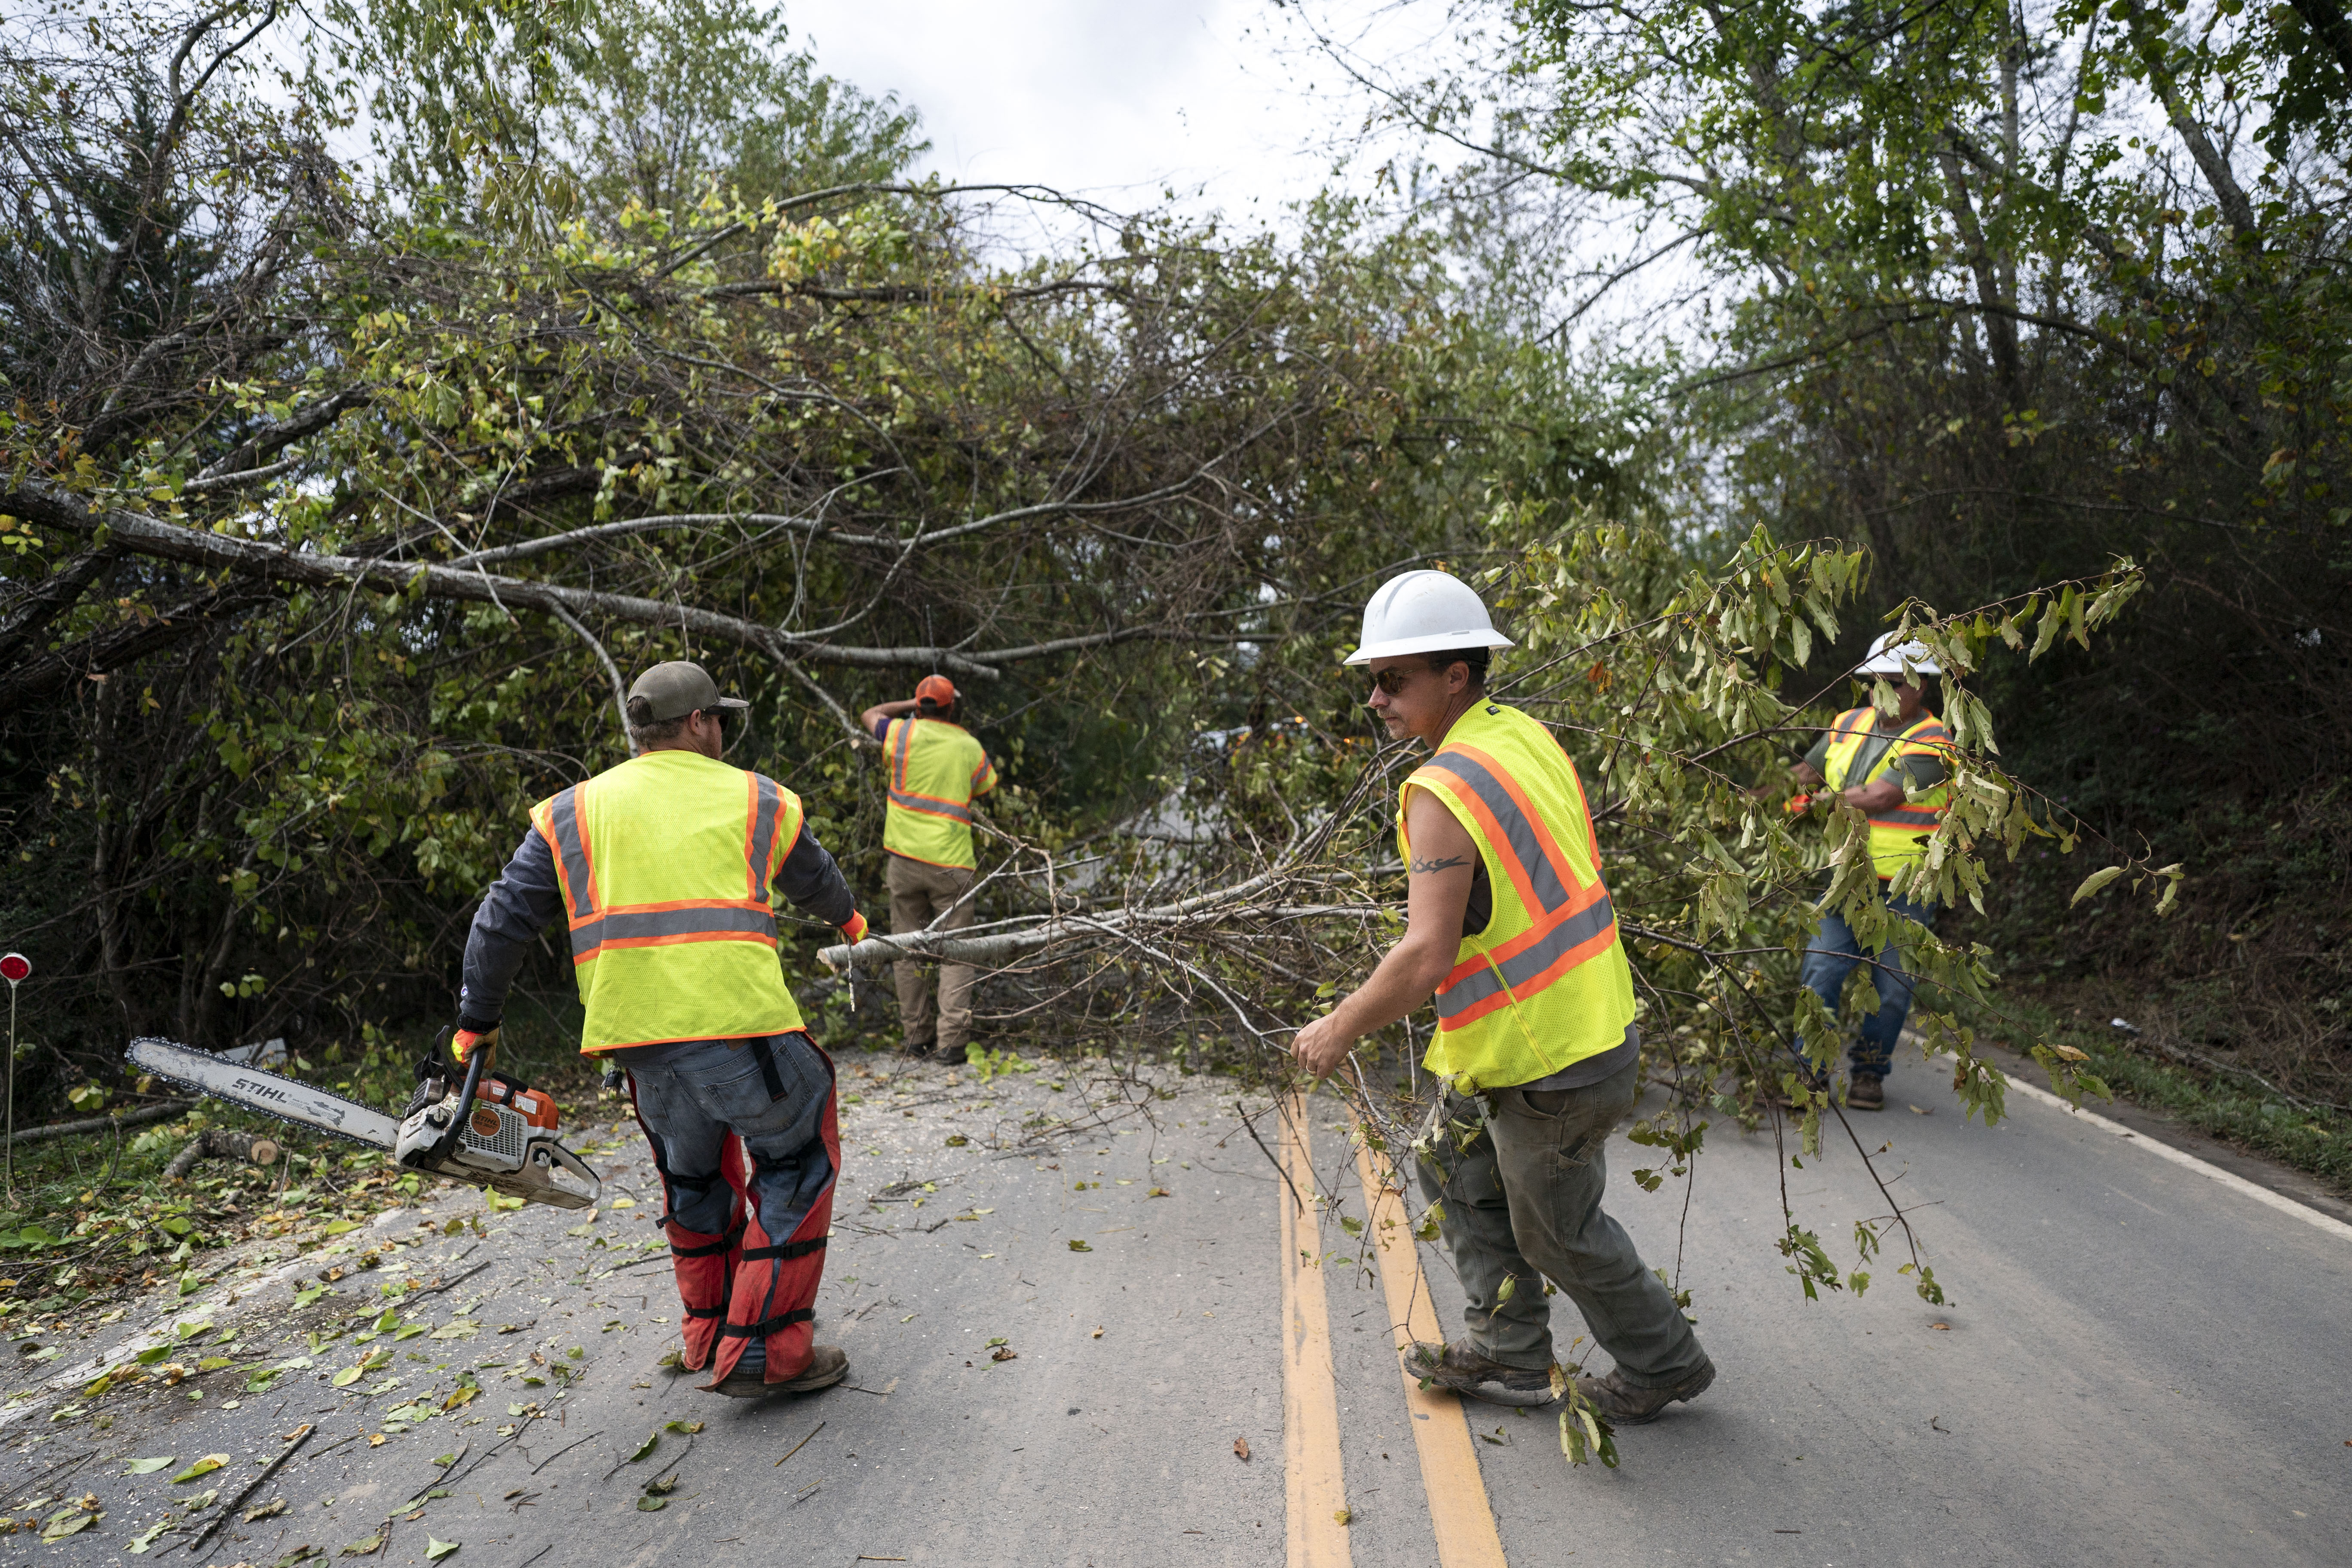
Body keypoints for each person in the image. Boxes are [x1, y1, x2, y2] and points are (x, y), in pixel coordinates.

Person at [1290, 570, 1716, 1426]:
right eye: (1371, 680)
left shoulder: (1441, 792)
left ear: (1455, 674)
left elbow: (1425, 956)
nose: (1374, 698)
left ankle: (1664, 1362)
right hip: (1573, 1027)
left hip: (1549, 1058)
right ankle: (1511, 1354)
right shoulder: (1519, 735)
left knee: (1556, 1230)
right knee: (1450, 1164)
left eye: (1392, 679)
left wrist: (1338, 1029)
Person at [452, 660, 870, 1400]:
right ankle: (768, 1351)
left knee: (694, 1176)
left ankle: (707, 1333)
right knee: (796, 1157)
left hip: (639, 1044)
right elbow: (815, 875)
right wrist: (850, 920)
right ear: (701, 723)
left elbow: (498, 922)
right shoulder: (756, 796)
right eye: (720, 720)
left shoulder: (574, 811)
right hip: (741, 1028)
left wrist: (474, 1026)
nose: (722, 732)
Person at [1785, 633, 1953, 1111]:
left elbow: (1881, 796)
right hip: (1845, 878)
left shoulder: (1934, 740)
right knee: (1820, 972)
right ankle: (1808, 1076)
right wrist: (1758, 796)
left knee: (1892, 989)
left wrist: (1811, 805)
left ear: (1921, 686)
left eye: (1894, 682)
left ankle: (1870, 1074)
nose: (1882, 690)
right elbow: (1804, 774)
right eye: (1875, 680)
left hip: (1904, 887)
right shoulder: (1846, 723)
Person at [858, 675, 998, 1058]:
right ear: (953, 706)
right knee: (955, 953)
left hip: (904, 862)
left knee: (907, 949)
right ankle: (952, 1044)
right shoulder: (968, 746)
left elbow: (870, 714)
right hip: (952, 866)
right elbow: (986, 785)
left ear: (919, 706)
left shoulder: (900, 734)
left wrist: (910, 704)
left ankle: (915, 1039)